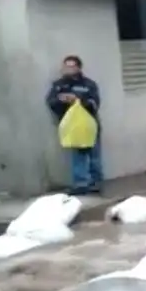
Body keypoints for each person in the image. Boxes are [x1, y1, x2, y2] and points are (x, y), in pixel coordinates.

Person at [46, 55, 103, 194]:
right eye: (66, 66)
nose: (68, 69)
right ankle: (81, 183)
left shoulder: (89, 84)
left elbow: (94, 103)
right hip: (72, 126)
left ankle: (96, 182)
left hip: (89, 125)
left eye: (71, 66)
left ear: (78, 67)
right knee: (78, 155)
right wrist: (62, 100)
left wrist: (78, 100)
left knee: (94, 154)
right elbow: (51, 102)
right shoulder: (59, 85)